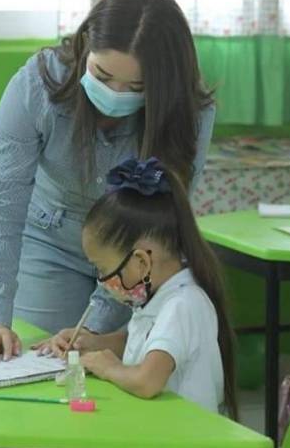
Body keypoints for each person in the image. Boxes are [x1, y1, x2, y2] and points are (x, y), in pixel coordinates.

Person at [0, 0, 216, 362]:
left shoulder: (189, 111)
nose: (115, 94)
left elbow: (160, 224)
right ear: (84, 43)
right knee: (43, 364)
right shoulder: (37, 85)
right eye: (101, 75)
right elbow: (2, 200)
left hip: (136, 258)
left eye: (136, 87)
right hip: (50, 240)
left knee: (114, 373)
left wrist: (98, 322)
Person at [38, 157, 237, 418]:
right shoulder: (159, 297)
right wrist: (93, 343)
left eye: (103, 269)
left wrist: (107, 367)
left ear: (141, 262)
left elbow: (147, 381)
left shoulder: (182, 304)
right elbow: (143, 341)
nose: (101, 280)